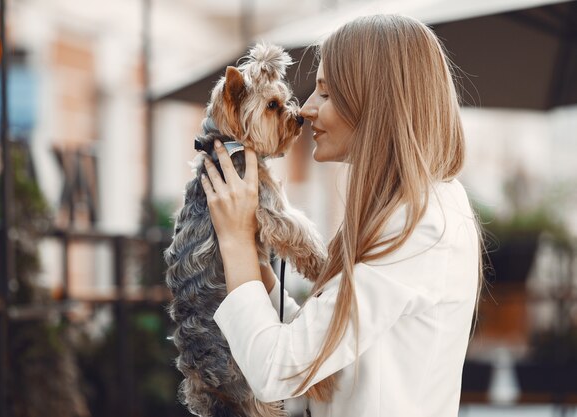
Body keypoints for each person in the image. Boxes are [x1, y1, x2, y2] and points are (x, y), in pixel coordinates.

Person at [199, 14, 481, 417]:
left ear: (378, 102)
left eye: (326, 94)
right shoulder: (402, 209)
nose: (308, 109)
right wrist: (255, 257)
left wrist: (236, 241)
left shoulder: (421, 225)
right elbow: (316, 344)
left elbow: (277, 370)